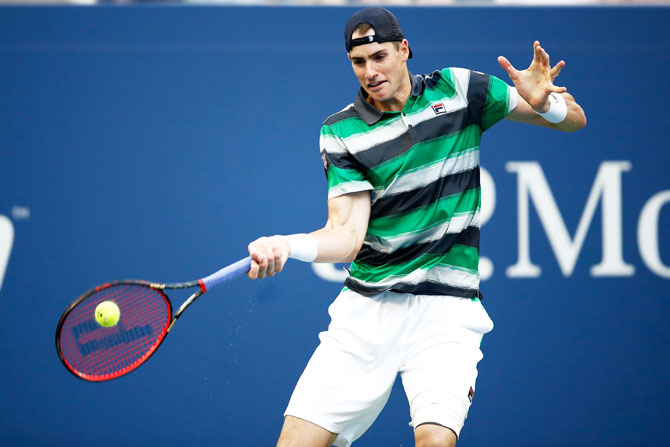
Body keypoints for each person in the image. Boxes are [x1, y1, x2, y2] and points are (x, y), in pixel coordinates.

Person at [247, 7, 586, 447]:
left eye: (380, 57)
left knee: (435, 441)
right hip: (367, 313)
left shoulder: (460, 88)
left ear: (404, 49)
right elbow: (346, 237)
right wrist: (287, 244)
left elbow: (575, 120)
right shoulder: (341, 131)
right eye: (359, 62)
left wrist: (547, 104)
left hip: (447, 311)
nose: (370, 72)